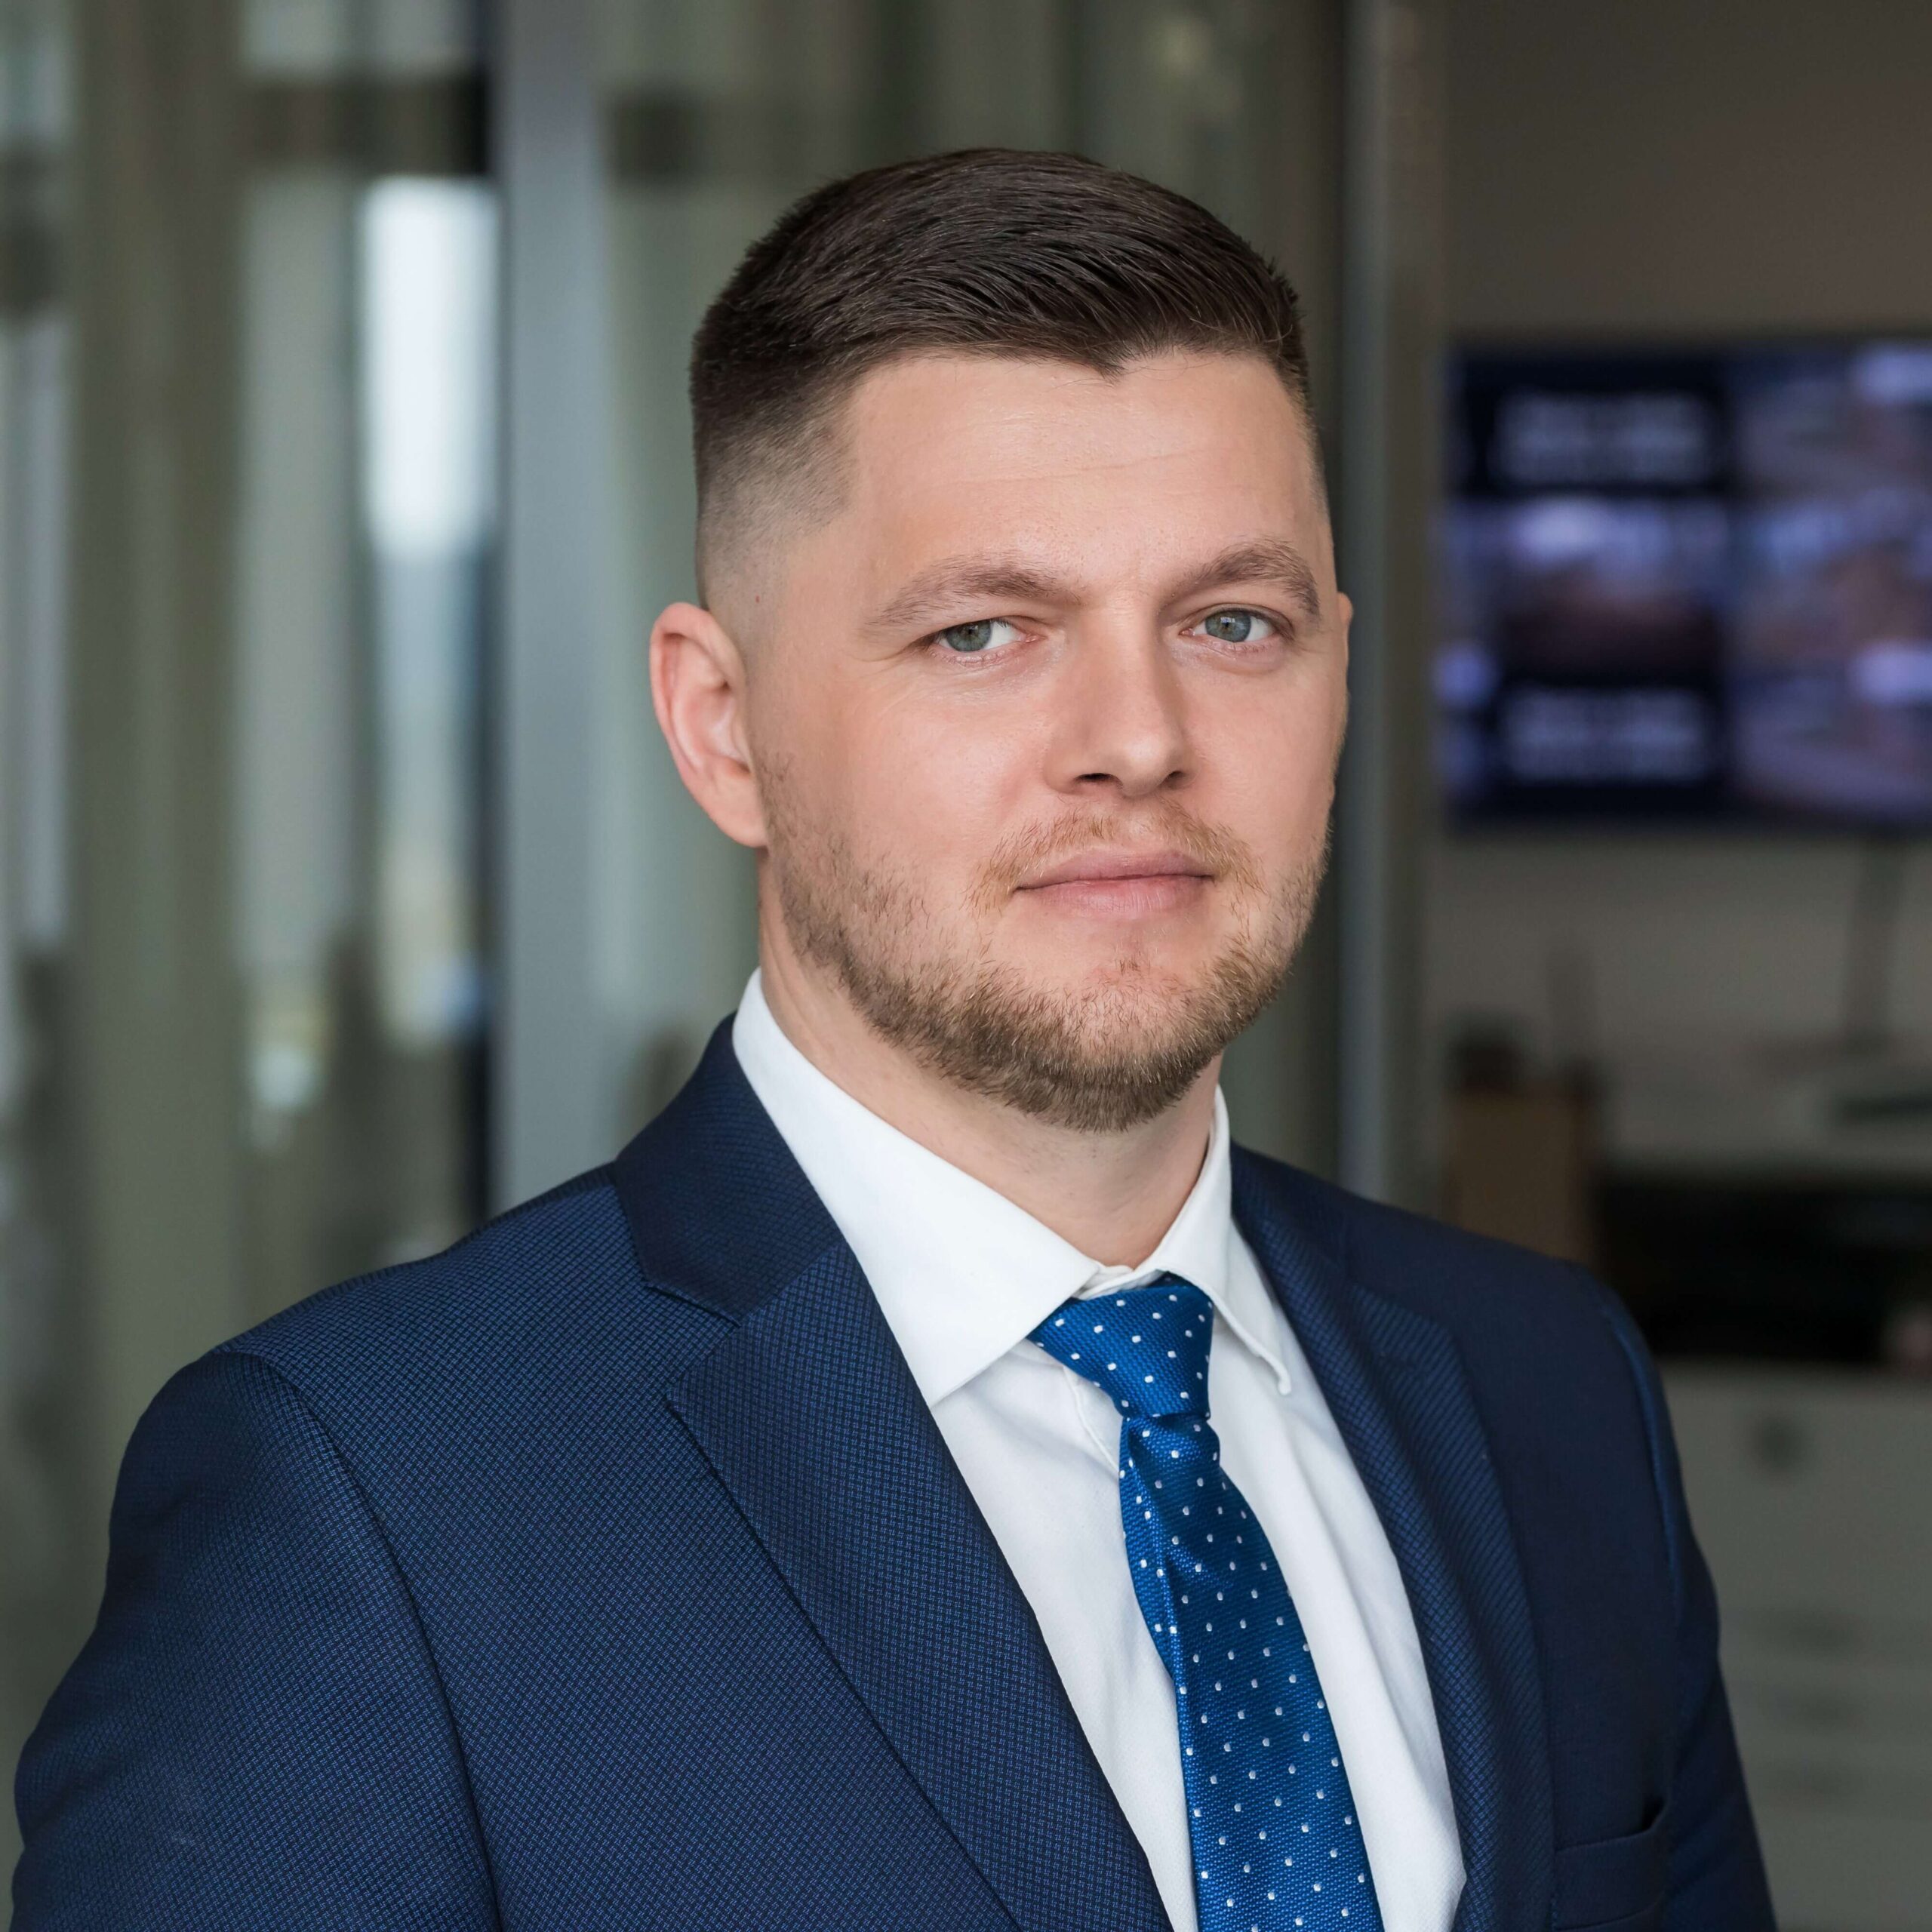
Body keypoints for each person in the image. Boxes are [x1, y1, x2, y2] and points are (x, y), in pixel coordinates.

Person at [13, 149, 1770, 1932]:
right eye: (982, 631)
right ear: (722, 727)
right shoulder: (372, 1496)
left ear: (1334, 675)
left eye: (1230, 622)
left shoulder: (1550, 1387)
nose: (1137, 736)